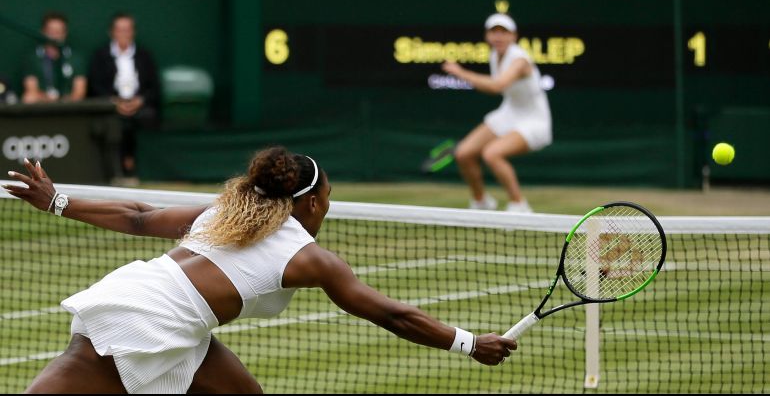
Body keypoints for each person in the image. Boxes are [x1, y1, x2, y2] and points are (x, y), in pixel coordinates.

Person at [4, 147, 516, 394]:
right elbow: (391, 315)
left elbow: (139, 217)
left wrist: (58, 202)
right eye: (329, 196)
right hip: (141, 317)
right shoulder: (310, 258)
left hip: (179, 325)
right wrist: (471, 343)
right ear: (312, 202)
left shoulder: (227, 213)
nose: (329, 204)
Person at [441, 13, 552, 213]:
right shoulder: (494, 55)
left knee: (492, 154)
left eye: (504, 32)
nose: (498, 36)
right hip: (509, 112)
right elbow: (492, 87)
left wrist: (461, 73)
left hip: (535, 120)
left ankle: (519, 205)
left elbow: (498, 86)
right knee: (463, 153)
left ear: (514, 36)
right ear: (487, 36)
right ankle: (481, 202)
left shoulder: (519, 60)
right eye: (494, 32)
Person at [87, 12, 160, 179]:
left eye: (127, 30)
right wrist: (114, 102)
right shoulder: (100, 56)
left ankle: (139, 169)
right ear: (112, 32)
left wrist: (139, 101)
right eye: (119, 30)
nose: (123, 34)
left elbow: (154, 88)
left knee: (147, 117)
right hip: (111, 107)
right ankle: (117, 170)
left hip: (139, 107)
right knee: (114, 123)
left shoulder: (144, 56)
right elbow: (95, 86)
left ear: (133, 32)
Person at [21, 12, 87, 104]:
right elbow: (31, 89)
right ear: (42, 32)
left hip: (69, 105)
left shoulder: (75, 58)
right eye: (50, 31)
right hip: (42, 103)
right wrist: (50, 100)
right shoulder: (32, 57)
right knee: (28, 98)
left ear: (65, 33)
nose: (55, 36)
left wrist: (65, 101)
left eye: (59, 31)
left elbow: (79, 91)